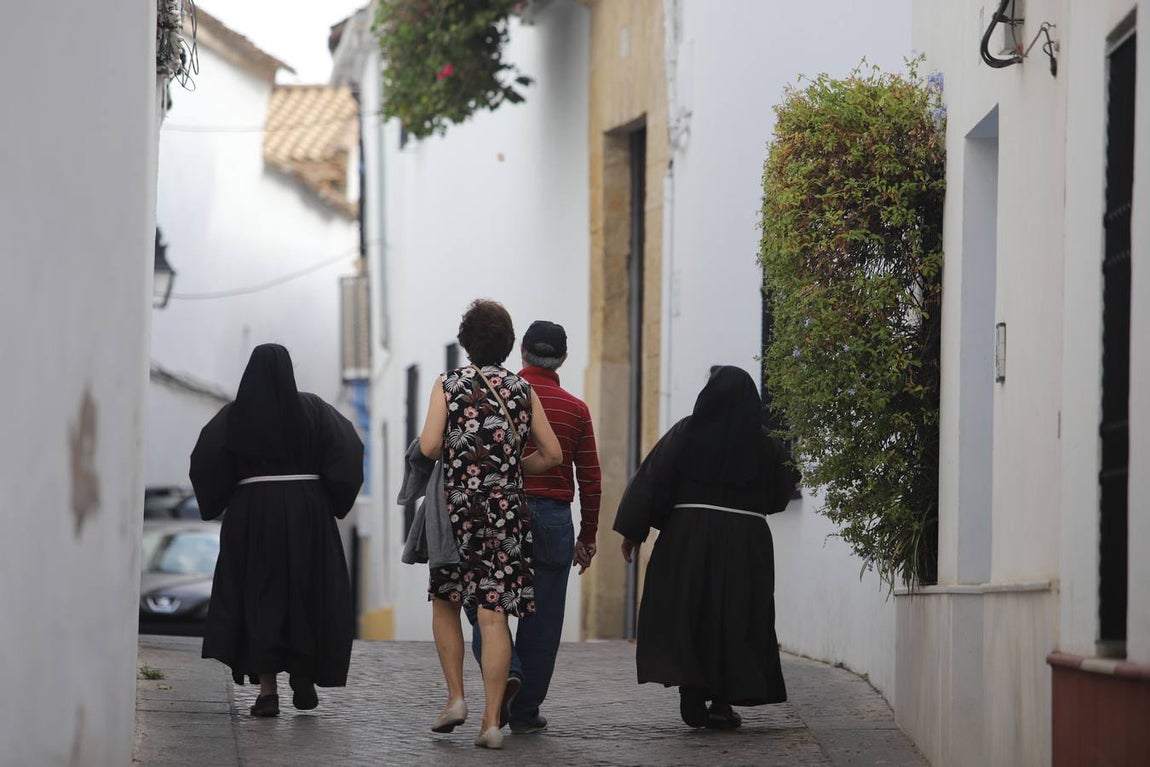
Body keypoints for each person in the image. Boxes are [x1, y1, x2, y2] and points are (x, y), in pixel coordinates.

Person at [613, 365, 799, 729]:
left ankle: (692, 689)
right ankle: (722, 703)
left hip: (688, 537)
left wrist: (633, 531)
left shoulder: (686, 432)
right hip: (747, 541)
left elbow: (653, 477)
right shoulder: (765, 444)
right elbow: (781, 494)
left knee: (689, 611)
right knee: (737, 616)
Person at [189, 343, 363, 718]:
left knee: (259, 597)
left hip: (253, 516)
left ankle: (268, 691)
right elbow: (347, 449)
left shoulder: (234, 416)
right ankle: (303, 679)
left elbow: (205, 461)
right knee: (306, 592)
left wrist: (224, 495)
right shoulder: (315, 409)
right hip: (308, 514)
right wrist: (331, 495)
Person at [419, 299, 563, 750]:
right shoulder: (523, 391)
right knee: (493, 613)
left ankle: (456, 698)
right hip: (505, 510)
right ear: (507, 344)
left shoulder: (449, 384)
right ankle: (492, 723)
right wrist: (513, 472)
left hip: (456, 510)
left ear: (465, 342)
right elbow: (554, 455)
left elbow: (428, 447)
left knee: (447, 603)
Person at [466, 319, 601, 735]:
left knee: (483, 603)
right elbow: (591, 477)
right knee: (543, 623)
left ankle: (509, 670)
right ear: (562, 358)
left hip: (500, 513)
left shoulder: (496, 397)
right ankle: (525, 712)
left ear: (520, 351)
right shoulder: (575, 409)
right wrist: (588, 536)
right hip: (555, 521)